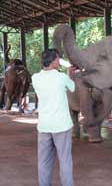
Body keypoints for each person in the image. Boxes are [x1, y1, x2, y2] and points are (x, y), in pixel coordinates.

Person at [32, 49, 76, 186]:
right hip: (61, 126)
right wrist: (70, 74)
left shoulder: (35, 78)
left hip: (44, 126)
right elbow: (73, 87)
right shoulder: (61, 77)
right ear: (53, 61)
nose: (59, 60)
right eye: (58, 59)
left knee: (44, 161)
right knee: (65, 160)